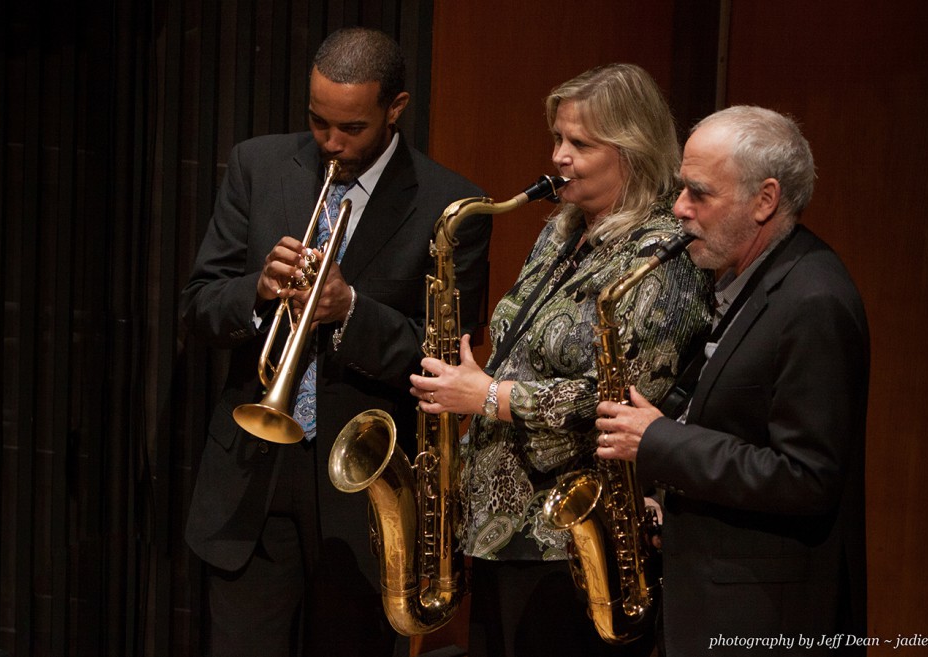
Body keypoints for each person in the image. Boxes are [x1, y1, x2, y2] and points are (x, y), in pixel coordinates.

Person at [180, 27, 491, 657]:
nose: (330, 143)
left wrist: (349, 309)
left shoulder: (451, 204)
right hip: (252, 470)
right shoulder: (258, 165)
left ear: (395, 109)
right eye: (319, 122)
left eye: (350, 128)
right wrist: (258, 290)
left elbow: (440, 358)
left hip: (360, 483)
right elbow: (199, 305)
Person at [409, 63, 713, 657]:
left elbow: (621, 399)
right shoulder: (561, 229)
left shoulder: (665, 256)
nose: (559, 157)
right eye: (557, 139)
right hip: (500, 520)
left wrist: (489, 398)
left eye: (580, 143)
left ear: (633, 150)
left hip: (573, 534)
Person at [594, 105, 870, 656]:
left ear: (765, 200)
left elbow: (807, 478)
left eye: (700, 194)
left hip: (766, 619)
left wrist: (660, 442)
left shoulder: (814, 301)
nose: (679, 209)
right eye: (680, 190)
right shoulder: (746, 279)